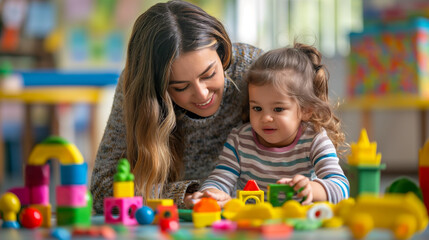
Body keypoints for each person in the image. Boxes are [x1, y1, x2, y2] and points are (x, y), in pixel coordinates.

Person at [89, 0, 263, 213]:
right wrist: (188, 196)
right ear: (157, 88)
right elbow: (101, 190)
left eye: (209, 75)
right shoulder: (137, 89)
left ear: (222, 51)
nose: (202, 94)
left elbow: (309, 150)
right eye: (180, 87)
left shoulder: (254, 68)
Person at [185, 43, 350, 208]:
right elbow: (221, 178)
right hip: (251, 222)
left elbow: (341, 187)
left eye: (278, 109)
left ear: (306, 110)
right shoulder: (240, 139)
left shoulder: (314, 138)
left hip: (295, 223)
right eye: (257, 108)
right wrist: (211, 193)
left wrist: (312, 189)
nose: (265, 118)